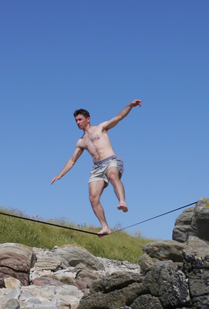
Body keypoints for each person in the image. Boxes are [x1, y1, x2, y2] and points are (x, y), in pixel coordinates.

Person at [51, 99, 142, 236]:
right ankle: (105, 227)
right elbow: (72, 160)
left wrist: (130, 106)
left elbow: (119, 117)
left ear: (88, 119)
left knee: (112, 175)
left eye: (80, 119)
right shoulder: (81, 142)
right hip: (97, 168)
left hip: (111, 160)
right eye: (76, 120)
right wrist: (60, 174)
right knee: (93, 198)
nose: (78, 123)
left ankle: (122, 201)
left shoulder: (101, 127)